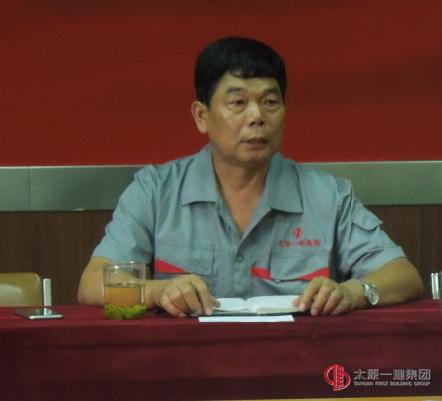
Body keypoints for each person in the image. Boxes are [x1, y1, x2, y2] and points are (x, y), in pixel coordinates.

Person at [78, 36, 423, 317]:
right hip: (184, 362)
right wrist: (158, 290)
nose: (257, 117)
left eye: (270, 102)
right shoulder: (156, 191)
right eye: (238, 103)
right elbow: (93, 283)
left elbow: (403, 275)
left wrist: (352, 292)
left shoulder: (328, 196)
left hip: (301, 362)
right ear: (201, 116)